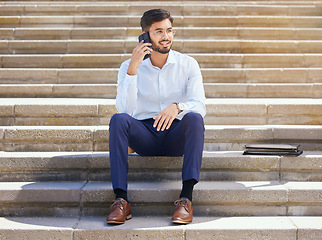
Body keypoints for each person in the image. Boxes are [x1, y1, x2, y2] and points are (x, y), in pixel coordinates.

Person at [106, 8, 206, 225]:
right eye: (159, 31)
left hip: (176, 135)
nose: (166, 37)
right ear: (145, 35)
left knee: (195, 118)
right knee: (118, 120)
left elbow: (200, 105)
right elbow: (125, 109)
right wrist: (133, 69)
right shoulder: (128, 66)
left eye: (169, 30)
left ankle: (186, 198)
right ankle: (121, 200)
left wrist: (177, 106)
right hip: (145, 136)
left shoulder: (188, 64)